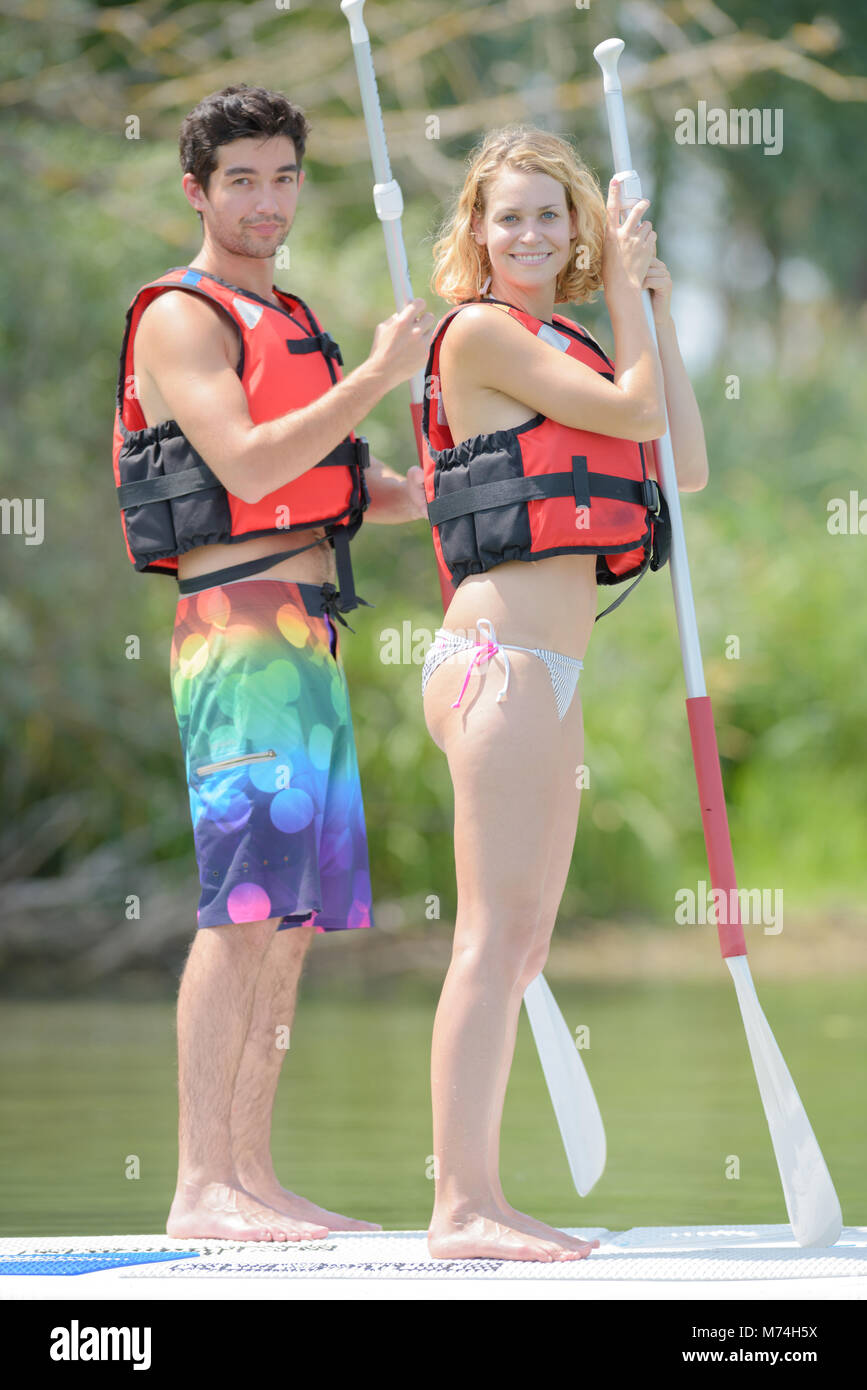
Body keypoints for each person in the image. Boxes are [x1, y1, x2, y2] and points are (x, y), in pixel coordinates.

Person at [111, 85, 434, 1242]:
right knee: (240, 907)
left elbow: (365, 487)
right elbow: (246, 466)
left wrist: (462, 478)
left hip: (310, 628)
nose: (265, 200)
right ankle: (199, 1185)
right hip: (237, 626)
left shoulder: (290, 318)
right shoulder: (183, 317)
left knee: (288, 918)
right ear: (197, 189)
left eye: (283, 177)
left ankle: (253, 1176)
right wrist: (377, 378)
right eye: (240, 179)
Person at [420, 127, 709, 1261]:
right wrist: (632, 314)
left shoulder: (585, 343)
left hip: (552, 672)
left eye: (552, 214)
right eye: (510, 216)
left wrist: (655, 304)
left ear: (578, 228)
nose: (532, 233)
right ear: (478, 234)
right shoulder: (485, 334)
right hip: (496, 664)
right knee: (491, 942)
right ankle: (461, 1207)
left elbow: (677, 458)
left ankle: (483, 1196)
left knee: (525, 941)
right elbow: (635, 417)